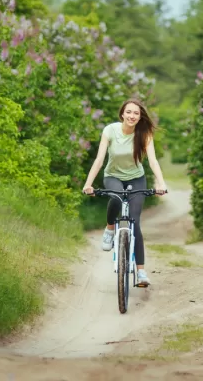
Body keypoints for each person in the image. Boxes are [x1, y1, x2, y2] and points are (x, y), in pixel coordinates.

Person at [82, 98, 168, 287]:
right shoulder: (110, 131)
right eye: (129, 112)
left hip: (137, 178)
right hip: (112, 176)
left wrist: (161, 182)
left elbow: (152, 161)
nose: (132, 116)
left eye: (136, 113)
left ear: (140, 117)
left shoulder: (144, 134)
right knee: (116, 197)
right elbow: (99, 160)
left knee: (135, 223)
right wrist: (88, 184)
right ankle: (110, 227)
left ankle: (141, 272)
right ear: (122, 114)